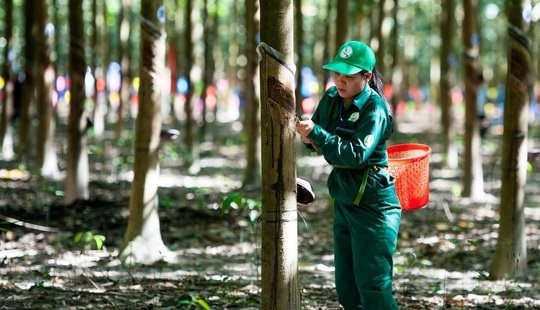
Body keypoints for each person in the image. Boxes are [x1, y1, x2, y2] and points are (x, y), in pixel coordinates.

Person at [296, 41, 401, 309]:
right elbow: (316, 138)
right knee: (347, 287)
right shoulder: (332, 98)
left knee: (373, 285)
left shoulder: (375, 108)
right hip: (344, 197)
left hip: (373, 203)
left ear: (366, 77)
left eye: (349, 76)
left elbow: (355, 154)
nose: (341, 81)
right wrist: (308, 135)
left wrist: (316, 134)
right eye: (337, 74)